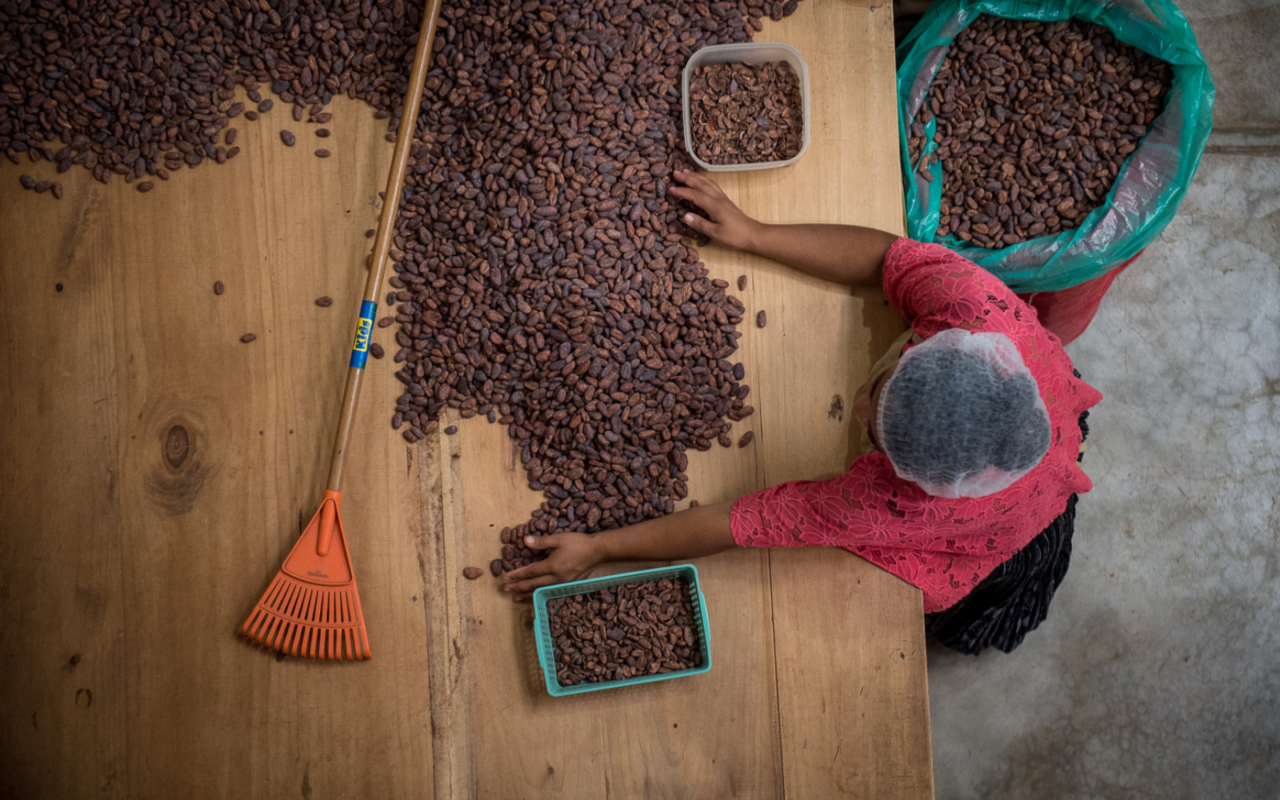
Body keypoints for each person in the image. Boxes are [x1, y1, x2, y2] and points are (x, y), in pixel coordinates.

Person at [502, 170, 1102, 654]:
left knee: (946, 599)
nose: (859, 405)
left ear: (913, 481)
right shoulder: (974, 306)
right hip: (1035, 426)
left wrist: (603, 547)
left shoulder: (886, 507)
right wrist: (753, 232)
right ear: (953, 340)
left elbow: (738, 522)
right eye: (887, 382)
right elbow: (886, 260)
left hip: (995, 528)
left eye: (874, 429)